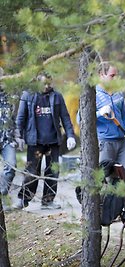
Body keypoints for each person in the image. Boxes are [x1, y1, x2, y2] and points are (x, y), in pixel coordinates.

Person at [14, 73, 76, 210]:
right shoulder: (28, 96)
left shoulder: (57, 96)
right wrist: (18, 137)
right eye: (44, 83)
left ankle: (48, 201)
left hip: (53, 142)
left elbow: (65, 118)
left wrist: (70, 135)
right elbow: (20, 118)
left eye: (49, 83)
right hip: (35, 142)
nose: (47, 86)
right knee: (32, 172)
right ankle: (23, 199)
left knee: (52, 172)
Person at [96, 62, 125, 181]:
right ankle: (107, 200)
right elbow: (81, 119)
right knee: (106, 178)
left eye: (117, 75)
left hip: (122, 142)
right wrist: (99, 113)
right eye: (112, 76)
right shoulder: (94, 95)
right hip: (105, 143)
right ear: (101, 75)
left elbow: (124, 117)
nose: (116, 79)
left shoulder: (118, 93)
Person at [0, 67, 18, 211]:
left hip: (7, 140)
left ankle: (2, 194)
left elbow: (14, 118)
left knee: (11, 166)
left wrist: (17, 136)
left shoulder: (9, 96)